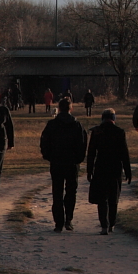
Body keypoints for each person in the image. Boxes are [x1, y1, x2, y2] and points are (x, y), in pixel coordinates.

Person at [39, 96, 87, 232]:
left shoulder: (52, 125)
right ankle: (68, 219)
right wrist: (79, 159)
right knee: (71, 191)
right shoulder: (77, 126)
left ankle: (58, 222)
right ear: (71, 108)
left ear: (59, 109)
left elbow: (44, 142)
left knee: (57, 192)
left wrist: (48, 156)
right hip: (72, 163)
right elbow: (82, 144)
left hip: (56, 162)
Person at [85, 109, 132, 234]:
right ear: (114, 118)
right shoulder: (119, 132)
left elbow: (91, 153)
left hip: (101, 167)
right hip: (115, 168)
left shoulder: (97, 132)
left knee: (102, 199)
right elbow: (124, 153)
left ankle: (104, 226)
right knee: (113, 198)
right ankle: (112, 224)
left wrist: (89, 170)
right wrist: (128, 171)